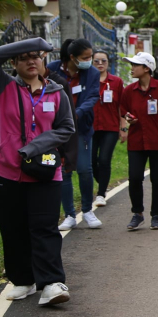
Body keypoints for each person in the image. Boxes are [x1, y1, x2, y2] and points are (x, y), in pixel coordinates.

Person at [0, 38, 75, 306]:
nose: (31, 61)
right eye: (23, 57)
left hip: (45, 171)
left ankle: (51, 282)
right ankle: (23, 280)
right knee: (13, 228)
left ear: (43, 61)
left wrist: (33, 147)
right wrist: (33, 43)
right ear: (13, 62)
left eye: (36, 56)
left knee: (44, 227)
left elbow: (66, 128)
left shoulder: (56, 92)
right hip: (6, 171)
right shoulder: (2, 86)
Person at [119, 52, 158, 230]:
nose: (132, 68)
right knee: (135, 177)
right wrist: (127, 120)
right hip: (136, 141)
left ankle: (156, 215)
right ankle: (137, 213)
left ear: (146, 68)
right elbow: (124, 112)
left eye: (135, 65)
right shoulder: (128, 91)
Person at [48, 39, 101, 231]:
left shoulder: (92, 73)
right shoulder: (52, 69)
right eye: (85, 57)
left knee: (85, 169)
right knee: (64, 171)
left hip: (81, 128)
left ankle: (87, 210)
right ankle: (70, 215)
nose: (89, 60)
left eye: (90, 57)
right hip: (58, 129)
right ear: (72, 57)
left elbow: (93, 96)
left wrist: (75, 114)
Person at [91, 50, 123, 209]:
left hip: (110, 127)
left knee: (104, 159)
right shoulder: (87, 80)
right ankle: (103, 180)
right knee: (90, 161)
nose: (100, 64)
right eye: (96, 61)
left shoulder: (116, 82)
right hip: (90, 127)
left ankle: (101, 193)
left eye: (103, 61)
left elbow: (121, 106)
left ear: (108, 63)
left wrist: (123, 127)